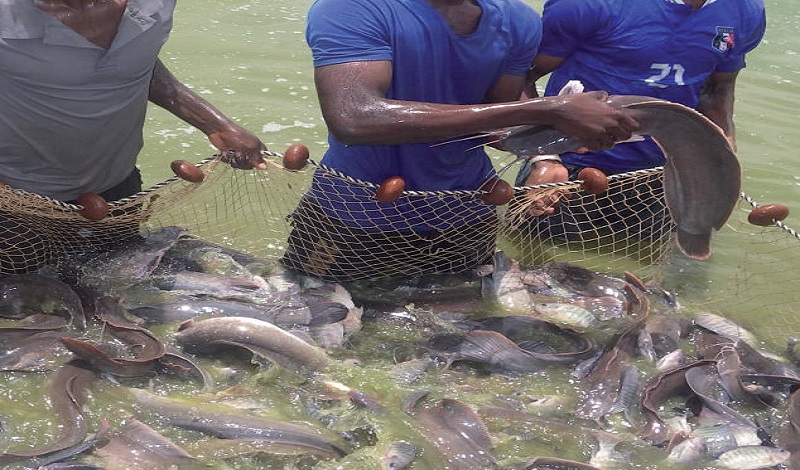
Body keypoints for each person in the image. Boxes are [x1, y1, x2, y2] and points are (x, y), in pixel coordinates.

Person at [281, 0, 638, 281]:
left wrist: (550, 146)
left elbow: (494, 125)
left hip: (466, 215)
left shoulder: (518, 19)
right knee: (320, 328)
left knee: (459, 337)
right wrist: (548, 109)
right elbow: (355, 118)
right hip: (355, 215)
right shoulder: (354, 8)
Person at [0, 0, 267, 273]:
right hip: (15, 200)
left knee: (118, 291)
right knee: (29, 301)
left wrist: (214, 124)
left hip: (118, 191)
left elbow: (137, 57)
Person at [515, 0, 766, 239]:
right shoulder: (588, 5)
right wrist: (543, 158)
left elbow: (717, 88)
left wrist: (721, 152)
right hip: (566, 167)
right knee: (532, 266)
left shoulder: (745, 10)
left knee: (649, 272)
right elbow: (520, 76)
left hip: (664, 177)